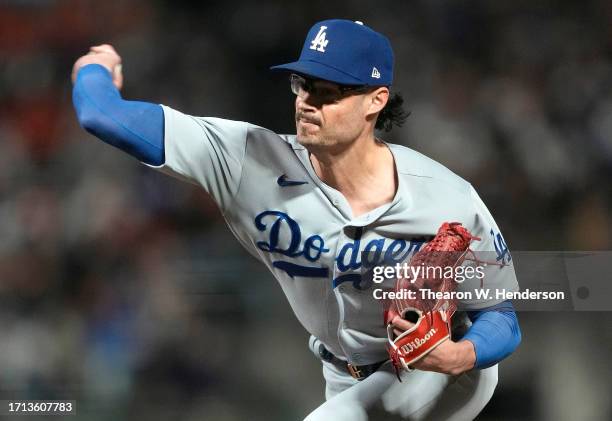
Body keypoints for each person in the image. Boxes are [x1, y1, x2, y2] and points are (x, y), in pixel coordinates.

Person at [71, 19, 521, 421]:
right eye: (302, 85)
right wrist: (94, 68)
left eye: (327, 91)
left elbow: (502, 315)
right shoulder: (249, 161)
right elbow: (101, 114)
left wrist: (461, 355)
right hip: (342, 373)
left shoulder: (447, 197)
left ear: (375, 101)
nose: (306, 102)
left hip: (440, 371)